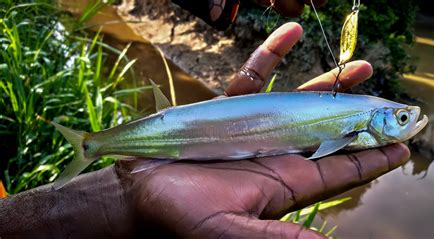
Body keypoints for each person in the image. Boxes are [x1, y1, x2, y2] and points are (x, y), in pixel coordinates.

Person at [0, 2, 410, 239]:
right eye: (403, 118)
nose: (410, 122)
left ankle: (95, 145)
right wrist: (123, 192)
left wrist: (121, 197)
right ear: (376, 118)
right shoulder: (359, 120)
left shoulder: (360, 119)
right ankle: (93, 144)